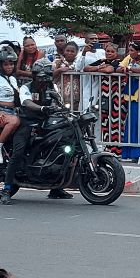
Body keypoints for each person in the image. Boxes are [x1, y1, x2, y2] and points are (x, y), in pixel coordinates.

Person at [1, 58, 72, 205]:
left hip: (47, 123)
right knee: (18, 152)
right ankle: (7, 189)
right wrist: (41, 108)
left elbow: (59, 100)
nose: (43, 81)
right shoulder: (26, 87)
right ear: (34, 76)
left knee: (62, 147)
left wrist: (62, 108)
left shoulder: (52, 87)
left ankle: (56, 188)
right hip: (27, 123)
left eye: (46, 77)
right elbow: (26, 102)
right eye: (40, 78)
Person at [116, 40, 140, 161]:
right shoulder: (129, 58)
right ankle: (131, 153)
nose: (130, 52)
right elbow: (118, 68)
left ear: (139, 52)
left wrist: (128, 69)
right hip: (131, 97)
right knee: (132, 124)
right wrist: (128, 69)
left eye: (132, 50)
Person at [83, 43, 124, 156]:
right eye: (108, 51)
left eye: (112, 52)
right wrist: (98, 67)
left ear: (116, 53)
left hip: (116, 95)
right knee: (105, 121)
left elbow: (110, 70)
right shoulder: (102, 61)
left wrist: (100, 68)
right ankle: (107, 147)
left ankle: (117, 149)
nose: (109, 54)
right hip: (104, 95)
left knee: (116, 121)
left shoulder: (119, 62)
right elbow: (86, 68)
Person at [0, 45, 20, 165]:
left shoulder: (12, 79)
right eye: (6, 64)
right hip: (2, 111)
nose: (9, 66)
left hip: (12, 110)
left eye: (11, 64)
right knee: (14, 121)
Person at [75, 33, 106, 111]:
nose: (94, 40)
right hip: (87, 84)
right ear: (86, 41)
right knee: (86, 107)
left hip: (101, 84)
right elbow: (78, 67)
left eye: (96, 38)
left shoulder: (102, 52)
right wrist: (84, 53)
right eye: (91, 39)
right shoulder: (81, 54)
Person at [52, 41, 81, 111]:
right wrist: (59, 70)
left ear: (76, 52)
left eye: (72, 51)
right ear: (64, 51)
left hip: (76, 95)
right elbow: (51, 75)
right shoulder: (57, 62)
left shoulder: (79, 62)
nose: (69, 53)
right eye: (67, 50)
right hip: (60, 94)